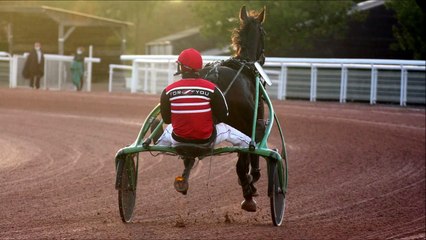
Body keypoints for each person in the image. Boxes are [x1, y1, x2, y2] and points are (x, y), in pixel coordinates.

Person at [155, 48, 251, 195]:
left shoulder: (168, 90)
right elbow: (224, 116)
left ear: (181, 67)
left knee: (170, 128)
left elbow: (167, 119)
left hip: (178, 141)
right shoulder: (212, 88)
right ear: (198, 68)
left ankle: (159, 144)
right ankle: (250, 147)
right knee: (234, 134)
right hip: (207, 140)